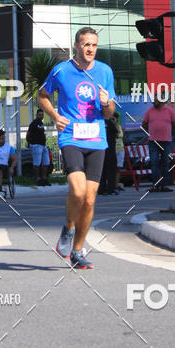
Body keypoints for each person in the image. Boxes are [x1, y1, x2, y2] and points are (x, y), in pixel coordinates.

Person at [38, 26, 116, 270]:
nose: (90, 49)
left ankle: (78, 251)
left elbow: (110, 112)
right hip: (71, 137)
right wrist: (54, 116)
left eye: (94, 45)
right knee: (78, 191)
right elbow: (42, 95)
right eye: (86, 44)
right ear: (76, 46)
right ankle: (69, 227)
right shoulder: (61, 70)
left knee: (90, 200)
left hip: (96, 140)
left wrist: (106, 103)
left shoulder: (105, 71)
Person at [141, 95, 174, 192]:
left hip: (166, 141)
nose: (154, 101)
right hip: (153, 141)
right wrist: (151, 131)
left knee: (165, 163)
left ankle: (164, 185)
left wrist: (168, 131)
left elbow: (174, 124)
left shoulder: (169, 111)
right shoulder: (149, 111)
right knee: (154, 163)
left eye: (156, 100)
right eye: (153, 100)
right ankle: (155, 185)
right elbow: (144, 124)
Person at [26, 108, 50, 186]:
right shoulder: (33, 123)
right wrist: (29, 142)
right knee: (37, 163)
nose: (41, 116)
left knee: (46, 162)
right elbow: (28, 134)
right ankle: (37, 178)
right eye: (39, 115)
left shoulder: (41, 123)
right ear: (36, 115)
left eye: (42, 115)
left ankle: (44, 178)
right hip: (36, 145)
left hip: (43, 145)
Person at [99, 115, 118, 196]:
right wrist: (114, 123)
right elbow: (117, 134)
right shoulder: (110, 123)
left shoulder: (98, 123)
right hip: (110, 149)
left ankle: (101, 189)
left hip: (100, 150)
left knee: (101, 171)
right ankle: (111, 189)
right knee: (111, 170)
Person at [113, 111, 125, 190]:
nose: (113, 120)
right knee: (112, 168)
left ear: (117, 119)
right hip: (113, 149)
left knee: (118, 168)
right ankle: (111, 184)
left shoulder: (121, 128)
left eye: (114, 119)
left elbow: (122, 138)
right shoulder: (110, 127)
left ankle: (116, 185)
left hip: (120, 149)